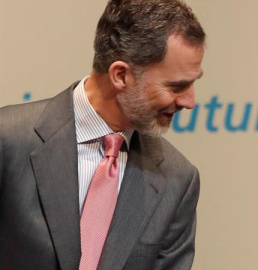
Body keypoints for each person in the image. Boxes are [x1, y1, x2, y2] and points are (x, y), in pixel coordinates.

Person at [0, 0, 205, 269]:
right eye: (177, 86)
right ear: (120, 75)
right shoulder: (8, 139)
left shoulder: (178, 179)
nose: (189, 101)